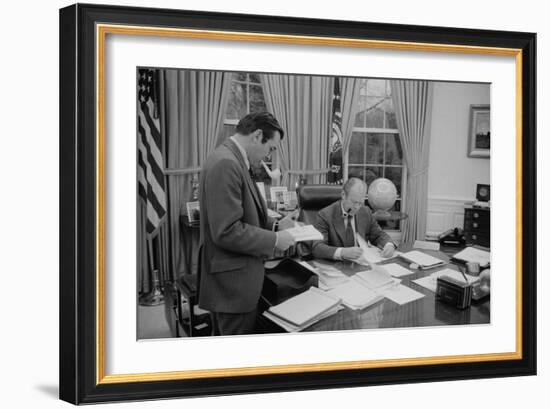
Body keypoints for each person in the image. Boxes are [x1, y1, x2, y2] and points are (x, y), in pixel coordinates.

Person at [198, 112, 296, 336]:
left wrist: (275, 226)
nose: (268, 156)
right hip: (232, 286)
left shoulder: (232, 159)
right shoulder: (226, 163)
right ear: (257, 135)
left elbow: (245, 213)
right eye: (270, 148)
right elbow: (227, 230)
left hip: (233, 280)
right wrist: (275, 240)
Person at [311, 177, 396, 261]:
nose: (357, 207)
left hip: (361, 265)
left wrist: (389, 245)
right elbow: (317, 247)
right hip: (338, 266)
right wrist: (342, 252)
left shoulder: (365, 212)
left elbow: (378, 235)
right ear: (343, 195)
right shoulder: (325, 215)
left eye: (360, 203)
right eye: (354, 202)